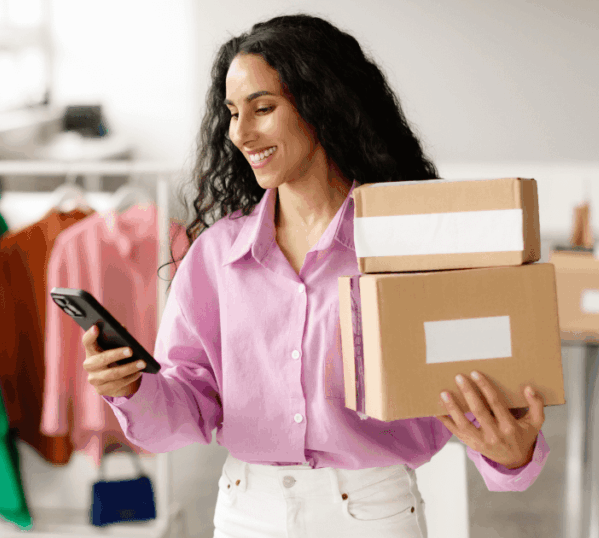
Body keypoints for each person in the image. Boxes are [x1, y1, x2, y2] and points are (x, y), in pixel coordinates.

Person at [81, 14, 549, 538]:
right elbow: (189, 405)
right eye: (233, 112)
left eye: (263, 108)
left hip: (373, 514)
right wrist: (133, 389)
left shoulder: (412, 242)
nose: (240, 132)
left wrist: (511, 454)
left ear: (321, 104)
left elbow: (476, 377)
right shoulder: (217, 256)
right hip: (244, 513)